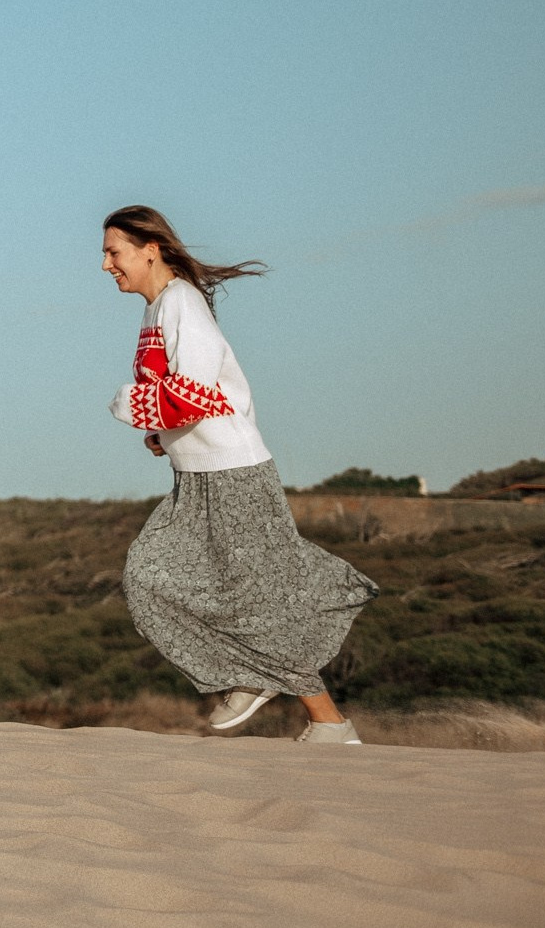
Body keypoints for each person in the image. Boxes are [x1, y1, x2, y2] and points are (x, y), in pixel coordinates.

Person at [102, 205, 376, 744]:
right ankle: (320, 718)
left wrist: (126, 406)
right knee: (175, 582)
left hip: (233, 473)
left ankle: (299, 705)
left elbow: (192, 396)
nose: (107, 265)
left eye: (114, 252)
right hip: (199, 473)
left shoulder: (182, 304)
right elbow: (194, 400)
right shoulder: (158, 309)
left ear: (148, 249)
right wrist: (164, 435)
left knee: (251, 596)